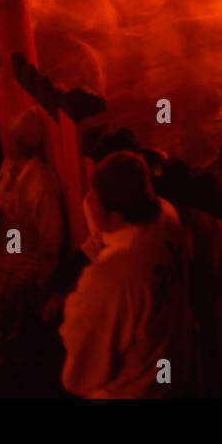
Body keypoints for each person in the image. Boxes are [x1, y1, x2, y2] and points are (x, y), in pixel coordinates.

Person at [58, 152, 187, 398]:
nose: (89, 201)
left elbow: (80, 374)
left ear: (112, 212)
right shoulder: (167, 218)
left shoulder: (111, 278)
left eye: (93, 196)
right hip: (166, 378)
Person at [0, 108, 65, 364]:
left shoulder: (41, 183)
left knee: (9, 303)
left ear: (25, 144)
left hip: (30, 257)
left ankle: (11, 351)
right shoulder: (9, 165)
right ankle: (7, 340)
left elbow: (51, 235)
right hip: (8, 253)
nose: (6, 141)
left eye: (12, 139)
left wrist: (41, 277)